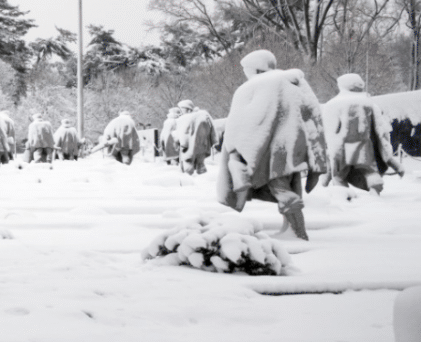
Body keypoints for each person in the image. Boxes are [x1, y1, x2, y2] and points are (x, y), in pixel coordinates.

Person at [217, 49, 327, 241]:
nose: (246, 73)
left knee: (281, 188)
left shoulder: (257, 86)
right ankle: (290, 228)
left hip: (272, 150)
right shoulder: (296, 83)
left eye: (247, 69)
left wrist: (238, 154)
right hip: (293, 147)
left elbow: (247, 123)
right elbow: (313, 116)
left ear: (256, 69)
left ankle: (298, 232)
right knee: (288, 186)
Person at [321, 73, 403, 194]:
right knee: (370, 171)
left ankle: (344, 198)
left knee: (339, 177)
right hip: (364, 147)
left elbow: (330, 133)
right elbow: (380, 130)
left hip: (341, 149)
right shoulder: (369, 104)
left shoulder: (331, 105)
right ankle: (375, 192)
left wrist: (329, 154)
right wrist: (387, 155)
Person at [173, 101, 215, 175]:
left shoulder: (184, 119)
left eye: (182, 109)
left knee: (188, 169)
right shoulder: (201, 116)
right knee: (200, 166)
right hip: (201, 147)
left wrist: (178, 142)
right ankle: (203, 181)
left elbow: (181, 136)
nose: (180, 111)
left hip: (188, 149)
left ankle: (189, 183)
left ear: (188, 109)